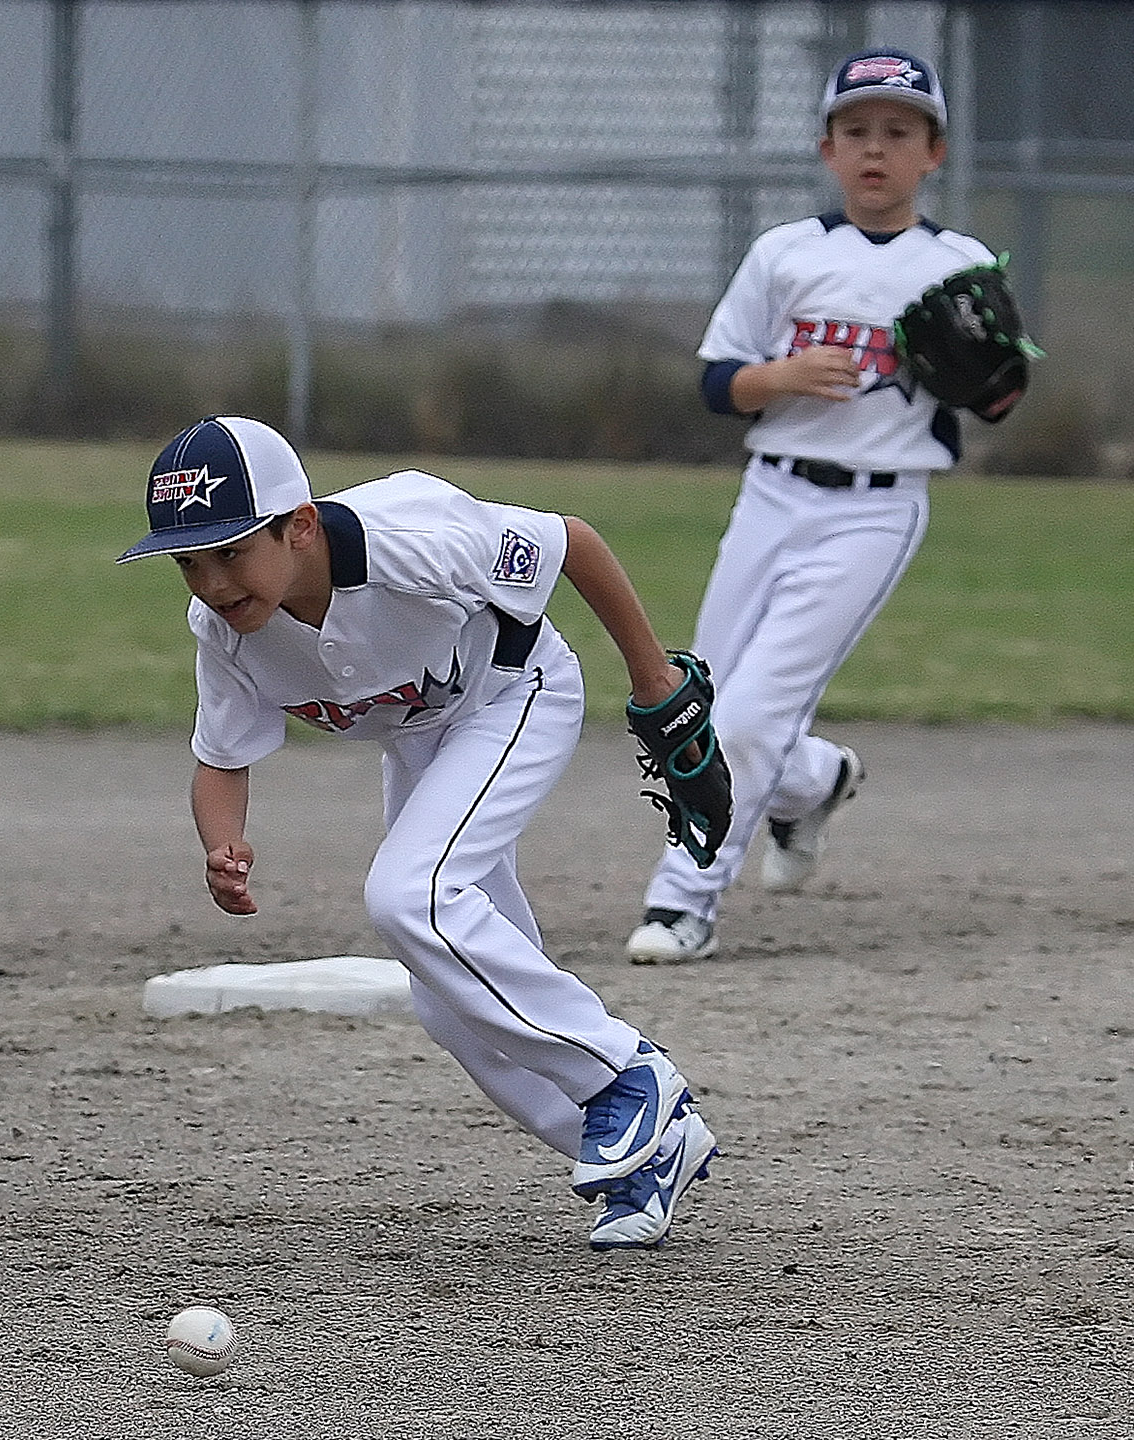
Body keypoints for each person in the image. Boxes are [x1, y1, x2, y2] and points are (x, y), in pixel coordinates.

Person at [116, 414, 727, 1250]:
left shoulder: (410, 541)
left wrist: (652, 676)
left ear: (299, 527)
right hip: (422, 739)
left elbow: (571, 543)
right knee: (447, 1001)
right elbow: (220, 756)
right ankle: (647, 1152)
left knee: (412, 896)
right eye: (190, 561)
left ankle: (627, 1074)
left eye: (231, 551)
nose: (214, 582)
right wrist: (222, 844)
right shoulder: (224, 633)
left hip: (517, 693)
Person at [627, 47, 1000, 963]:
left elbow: (993, 398)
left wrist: (978, 373)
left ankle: (684, 900)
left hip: (873, 512)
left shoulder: (960, 264)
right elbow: (718, 384)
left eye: (899, 132)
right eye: (857, 130)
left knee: (751, 717)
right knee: (700, 711)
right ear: (827, 149)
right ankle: (818, 779)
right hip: (771, 493)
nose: (877, 149)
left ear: (933, 154)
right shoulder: (784, 253)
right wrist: (782, 374)